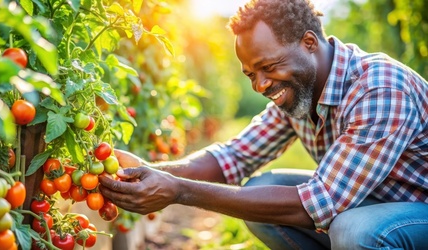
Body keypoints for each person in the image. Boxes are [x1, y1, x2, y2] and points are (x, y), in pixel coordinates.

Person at [98, 0, 428, 249]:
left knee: (355, 230)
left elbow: (318, 203)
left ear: (309, 43)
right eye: (250, 75)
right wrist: (148, 169)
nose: (260, 85)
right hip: (379, 200)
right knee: (258, 191)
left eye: (268, 67)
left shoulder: (380, 87)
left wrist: (179, 191)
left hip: (420, 209)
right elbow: (233, 157)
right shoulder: (300, 89)